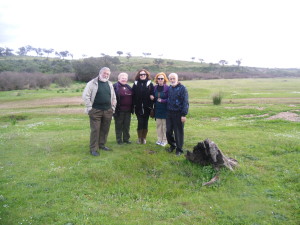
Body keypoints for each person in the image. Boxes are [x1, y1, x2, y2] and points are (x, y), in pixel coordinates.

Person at [82, 67, 116, 156]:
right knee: (95, 130)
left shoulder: (109, 83)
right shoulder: (92, 83)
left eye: (108, 74)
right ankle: (93, 149)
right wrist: (90, 108)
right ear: (100, 73)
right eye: (105, 73)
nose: (106, 75)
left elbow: (114, 97)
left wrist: (113, 108)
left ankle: (102, 145)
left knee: (105, 130)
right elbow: (86, 96)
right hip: (95, 111)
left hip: (108, 110)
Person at [166, 73, 189, 156]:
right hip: (169, 113)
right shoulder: (169, 88)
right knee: (168, 131)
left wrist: (183, 114)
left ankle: (179, 149)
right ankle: (172, 145)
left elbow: (185, 102)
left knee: (178, 132)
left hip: (179, 113)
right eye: (171, 79)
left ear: (177, 79)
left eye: (173, 78)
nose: (172, 80)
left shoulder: (183, 88)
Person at [132, 69, 154, 144]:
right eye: (141, 74)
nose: (142, 76)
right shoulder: (135, 83)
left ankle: (144, 138)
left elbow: (153, 93)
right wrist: (134, 105)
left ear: (146, 75)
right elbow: (133, 95)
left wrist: (152, 96)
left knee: (145, 122)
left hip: (147, 107)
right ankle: (139, 138)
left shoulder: (150, 83)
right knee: (140, 122)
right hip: (138, 107)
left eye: (144, 74)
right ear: (139, 75)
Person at [113, 72, 133, 145]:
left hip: (128, 110)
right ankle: (119, 140)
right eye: (122, 78)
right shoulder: (115, 86)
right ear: (119, 79)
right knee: (119, 125)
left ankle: (126, 139)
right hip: (119, 110)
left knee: (126, 125)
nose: (124, 79)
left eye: (125, 78)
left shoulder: (128, 87)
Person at [153, 72, 169, 147]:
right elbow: (153, 97)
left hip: (165, 109)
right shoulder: (155, 87)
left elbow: (170, 99)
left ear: (164, 79)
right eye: (158, 78)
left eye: (161, 78)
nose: (160, 80)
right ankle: (159, 140)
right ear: (157, 79)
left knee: (164, 126)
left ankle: (165, 140)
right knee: (159, 125)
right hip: (157, 109)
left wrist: (163, 101)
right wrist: (152, 97)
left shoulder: (168, 88)